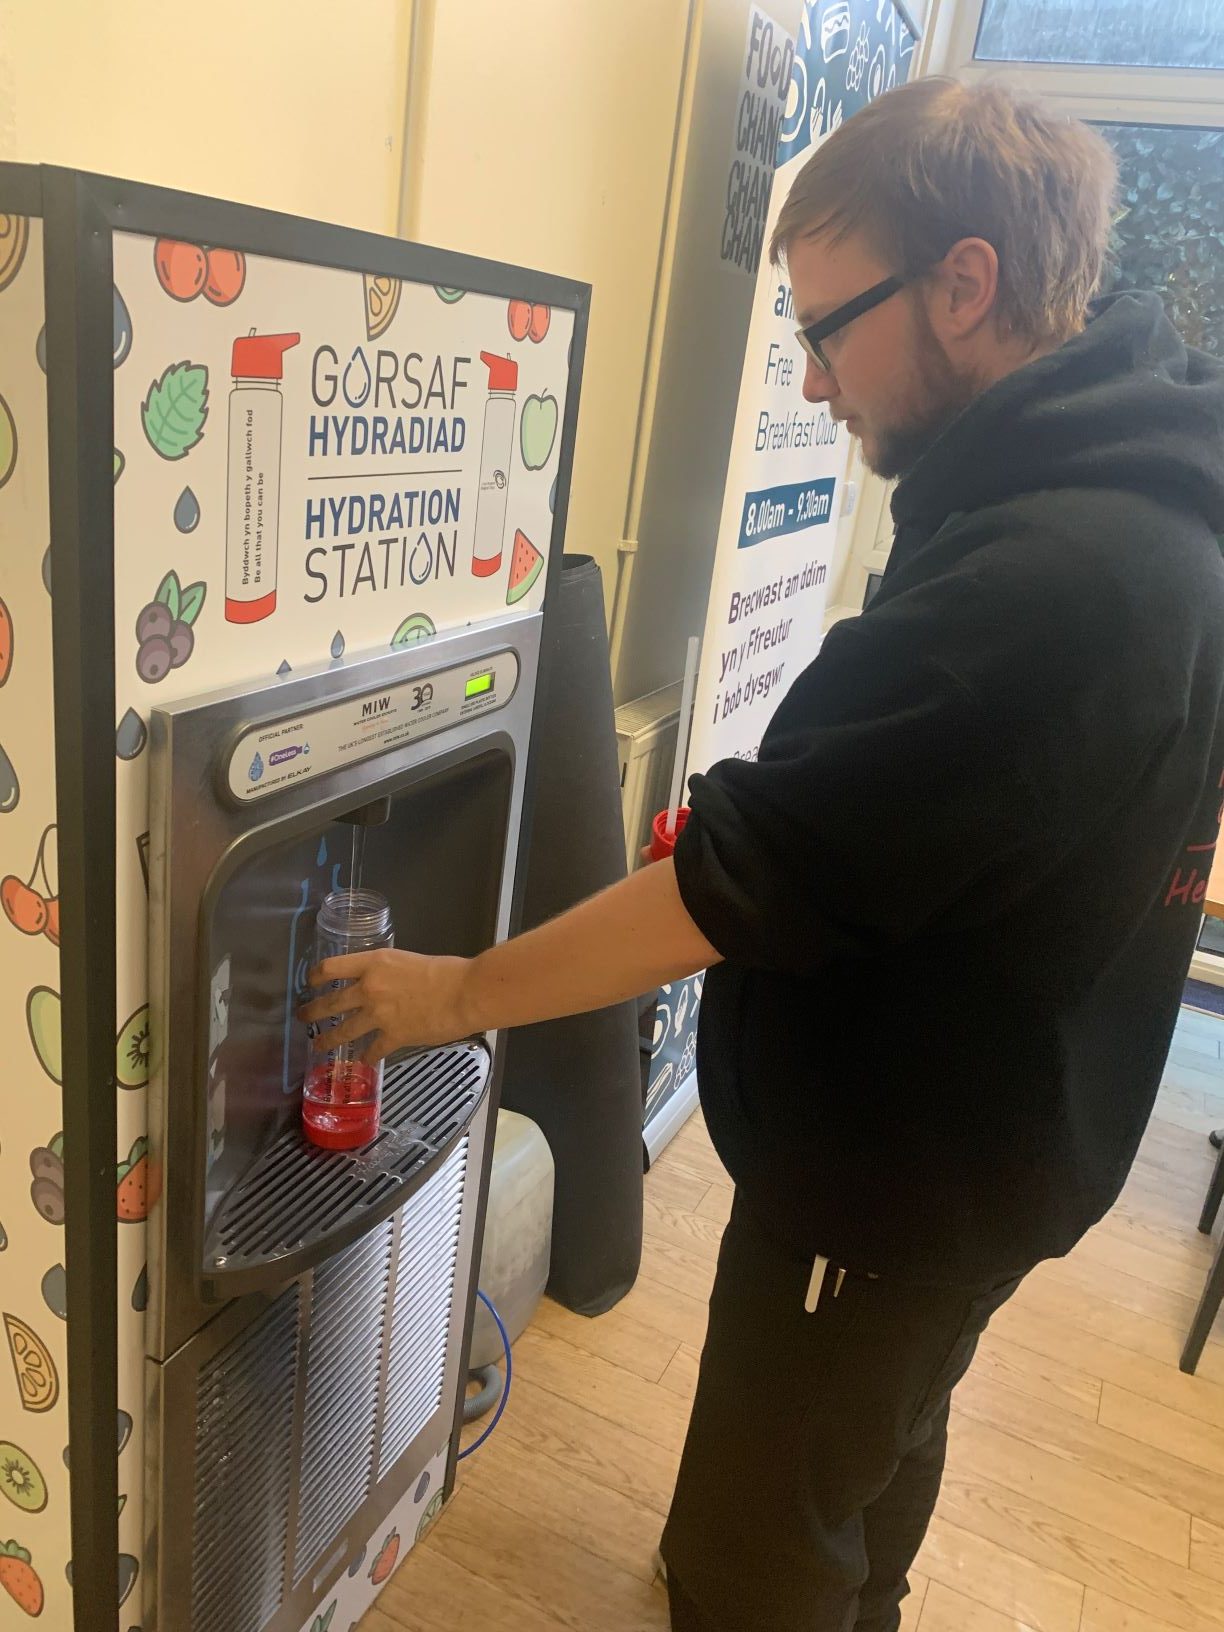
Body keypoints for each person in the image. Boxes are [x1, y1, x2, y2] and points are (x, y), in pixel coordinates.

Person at [302, 77, 1224, 1632]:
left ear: (966, 283)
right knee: (878, 1448)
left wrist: (453, 990)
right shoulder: (1137, 510)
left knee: (750, 1548)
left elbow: (732, 888)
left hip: (896, 1182)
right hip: (1004, 1144)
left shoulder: (1051, 577)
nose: (813, 382)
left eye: (828, 327)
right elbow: (916, 822)